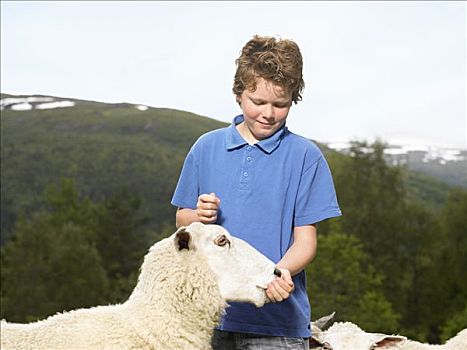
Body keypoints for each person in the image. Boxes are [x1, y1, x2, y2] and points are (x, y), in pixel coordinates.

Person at [171, 35, 341, 350]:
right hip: (209, 321)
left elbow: (305, 241)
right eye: (258, 102)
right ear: (239, 95)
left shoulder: (305, 157)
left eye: (280, 104)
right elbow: (182, 219)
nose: (269, 114)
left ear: (293, 100)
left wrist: (278, 273)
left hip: (278, 327)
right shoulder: (205, 148)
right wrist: (199, 215)